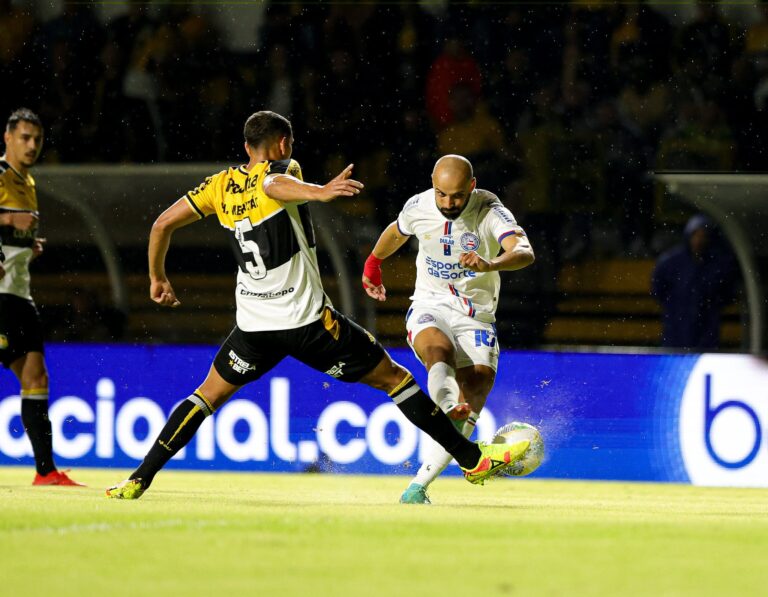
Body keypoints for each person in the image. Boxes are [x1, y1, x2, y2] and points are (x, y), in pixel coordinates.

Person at [106, 111, 529, 499]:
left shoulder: (217, 186)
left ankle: (139, 477)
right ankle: (472, 460)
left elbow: (162, 223)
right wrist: (321, 192)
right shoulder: (282, 171)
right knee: (397, 381)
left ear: (245, 145)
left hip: (253, 326)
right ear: (284, 144)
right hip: (308, 323)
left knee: (205, 396)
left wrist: (157, 277)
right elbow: (274, 185)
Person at [362, 154, 535, 504]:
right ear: (432, 185)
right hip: (430, 303)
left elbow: (525, 251)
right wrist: (373, 263)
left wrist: (491, 262)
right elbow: (396, 231)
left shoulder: (489, 209)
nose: (447, 203)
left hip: (476, 315)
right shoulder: (419, 206)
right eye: (441, 194)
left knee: (478, 380)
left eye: (456, 196)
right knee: (436, 351)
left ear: (471, 187)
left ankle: (417, 488)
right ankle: (448, 403)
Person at [0, 108, 84, 486]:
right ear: (7, 138)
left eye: (37, 139)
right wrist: (7, 221)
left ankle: (46, 471)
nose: (32, 145)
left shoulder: (28, 182)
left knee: (36, 376)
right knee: (32, 374)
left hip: (19, 293)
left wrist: (25, 243)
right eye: (25, 137)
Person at [651, 214, 738, 350]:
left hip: (707, 324)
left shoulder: (718, 263)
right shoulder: (671, 262)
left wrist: (711, 304)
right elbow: (658, 288)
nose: (699, 240)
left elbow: (727, 292)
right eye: (696, 235)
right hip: (677, 321)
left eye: (704, 236)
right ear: (689, 236)